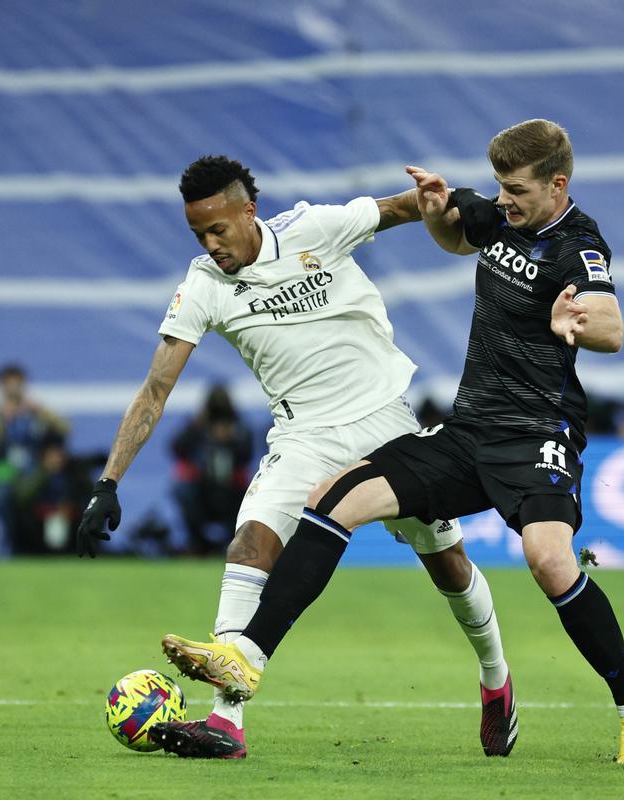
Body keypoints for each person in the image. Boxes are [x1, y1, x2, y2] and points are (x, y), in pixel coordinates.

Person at [162, 121, 624, 765]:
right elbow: (457, 237)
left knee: (549, 561)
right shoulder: (501, 218)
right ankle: (246, 661)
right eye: (498, 188)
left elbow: (612, 330)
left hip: (537, 434)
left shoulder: (579, 246)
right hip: (467, 431)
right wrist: (435, 208)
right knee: (332, 498)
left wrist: (571, 322)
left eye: (514, 189)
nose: (501, 200)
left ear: (556, 184)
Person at [78, 155, 516, 759]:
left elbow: (402, 207)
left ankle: (496, 677)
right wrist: (109, 480)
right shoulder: (204, 284)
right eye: (198, 234)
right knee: (249, 545)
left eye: (218, 230)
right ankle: (225, 723)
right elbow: (156, 389)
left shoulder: (314, 229)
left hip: (385, 421)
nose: (211, 245)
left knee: (447, 562)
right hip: (303, 438)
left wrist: (451, 199)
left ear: (247, 211)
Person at [0, 363, 70, 545]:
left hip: (32, 471)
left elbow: (65, 429)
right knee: (3, 491)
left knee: (61, 483)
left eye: (17, 384)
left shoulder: (34, 413)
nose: (13, 389)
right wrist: (3, 420)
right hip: (1, 470)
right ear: (1, 386)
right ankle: (6, 544)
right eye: (8, 384)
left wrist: (42, 412)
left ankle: (58, 544)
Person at [170, 385, 255, 554]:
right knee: (183, 489)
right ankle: (197, 544)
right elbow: (177, 448)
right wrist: (197, 425)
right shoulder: (198, 427)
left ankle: (235, 543)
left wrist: (231, 439)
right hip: (201, 487)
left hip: (232, 489)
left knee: (252, 495)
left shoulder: (238, 428)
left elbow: (247, 455)